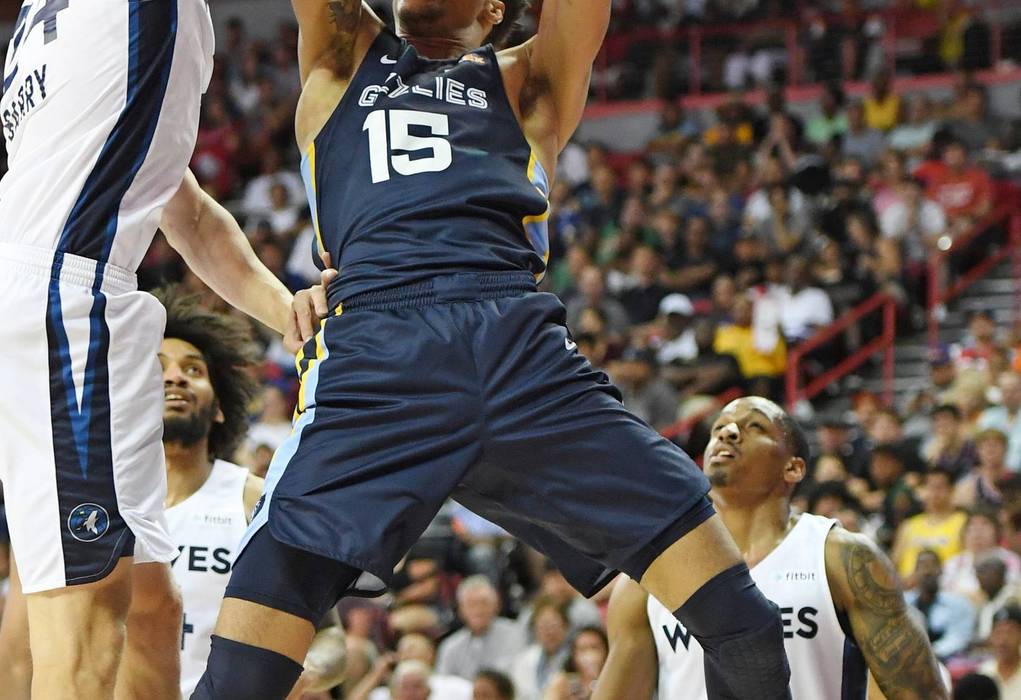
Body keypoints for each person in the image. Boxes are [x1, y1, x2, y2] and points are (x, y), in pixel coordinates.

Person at [191, 0, 794, 696]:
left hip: (521, 351)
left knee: (745, 624)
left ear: (493, 8)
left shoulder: (527, 80)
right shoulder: (345, 52)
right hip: (377, 355)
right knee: (241, 677)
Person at [0, 1, 331, 699]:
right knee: (84, 627)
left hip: (33, 301)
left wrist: (293, 319)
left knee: (150, 608)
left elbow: (188, 216)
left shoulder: (86, 51)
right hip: (65, 309)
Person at [0, 299, 347, 698]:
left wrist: (303, 673)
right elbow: (14, 656)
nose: (175, 378)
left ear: (219, 407)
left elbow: (330, 638)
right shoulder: (69, 508)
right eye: (157, 368)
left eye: (193, 370)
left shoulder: (254, 501)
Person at [594, 397, 946, 699]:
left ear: (793, 468)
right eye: (720, 427)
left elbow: (920, 692)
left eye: (755, 427)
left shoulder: (840, 556)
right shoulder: (652, 574)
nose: (728, 433)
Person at [435, 577, 525, 682]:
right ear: (461, 610)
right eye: (471, 604)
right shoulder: (450, 647)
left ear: (496, 605)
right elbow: (443, 684)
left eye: (484, 603)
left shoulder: (515, 633)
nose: (478, 610)